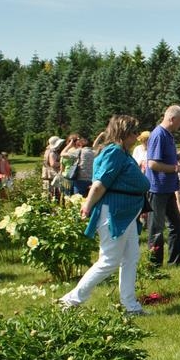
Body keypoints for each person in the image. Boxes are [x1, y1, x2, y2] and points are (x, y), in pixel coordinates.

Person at [59, 115, 150, 315]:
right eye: (134, 133)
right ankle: (70, 300)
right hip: (115, 212)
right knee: (109, 260)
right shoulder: (114, 152)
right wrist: (87, 205)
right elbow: (100, 183)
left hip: (126, 214)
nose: (136, 137)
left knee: (131, 257)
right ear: (124, 133)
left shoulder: (121, 153)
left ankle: (130, 305)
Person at [145, 105, 180, 267]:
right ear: (172, 119)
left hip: (168, 188)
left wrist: (178, 156)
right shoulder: (158, 135)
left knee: (176, 225)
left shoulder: (168, 135)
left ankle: (175, 262)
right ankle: (154, 265)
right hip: (158, 189)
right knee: (156, 228)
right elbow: (153, 164)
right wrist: (176, 168)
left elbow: (163, 158)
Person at [42, 136, 65, 200]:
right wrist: (62, 164)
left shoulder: (48, 151)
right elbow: (53, 164)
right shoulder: (52, 152)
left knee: (48, 193)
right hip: (51, 175)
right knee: (51, 193)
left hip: (48, 175)